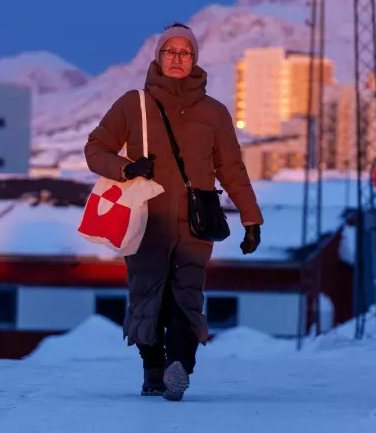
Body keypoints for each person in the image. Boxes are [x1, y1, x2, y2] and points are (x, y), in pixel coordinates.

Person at [84, 23, 264, 401]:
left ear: (195, 59)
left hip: (194, 221)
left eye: (185, 53)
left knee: (187, 294)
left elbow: (232, 169)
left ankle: (178, 366)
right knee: (147, 293)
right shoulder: (133, 104)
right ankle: (153, 368)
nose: (177, 59)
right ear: (158, 56)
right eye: (170, 51)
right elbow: (95, 149)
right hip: (144, 218)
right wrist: (126, 168)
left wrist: (251, 218)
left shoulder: (214, 112)